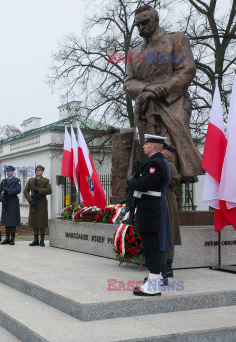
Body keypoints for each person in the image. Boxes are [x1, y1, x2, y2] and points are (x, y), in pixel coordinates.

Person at [124, 4, 203, 183]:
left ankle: (171, 196)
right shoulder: (134, 52)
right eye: (137, 24)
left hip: (171, 103)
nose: (141, 27)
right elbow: (128, 82)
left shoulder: (176, 39)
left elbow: (187, 70)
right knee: (149, 155)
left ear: (156, 20)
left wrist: (164, 89)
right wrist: (146, 89)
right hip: (146, 108)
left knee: (169, 151)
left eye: (145, 22)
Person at [129, 134, 170, 296]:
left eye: (147, 144)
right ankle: (155, 279)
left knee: (150, 246)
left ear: (154, 146)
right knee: (150, 245)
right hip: (149, 208)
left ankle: (153, 285)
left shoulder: (157, 163)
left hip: (150, 210)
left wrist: (132, 181)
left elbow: (144, 184)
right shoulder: (157, 161)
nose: (144, 146)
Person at [163, 143, 182, 277]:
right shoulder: (167, 164)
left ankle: (168, 264)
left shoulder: (169, 165)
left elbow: (173, 180)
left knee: (169, 231)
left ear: (166, 153)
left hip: (168, 200)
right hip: (166, 198)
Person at [23, 165, 52, 247]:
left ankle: (42, 240)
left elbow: (49, 190)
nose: (37, 172)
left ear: (42, 171)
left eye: (39, 170)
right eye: (36, 170)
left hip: (42, 202)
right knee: (34, 221)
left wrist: (39, 190)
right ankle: (35, 239)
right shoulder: (31, 180)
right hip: (34, 202)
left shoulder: (46, 180)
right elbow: (25, 191)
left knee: (42, 221)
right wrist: (30, 200)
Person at [0, 165, 21, 245]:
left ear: (12, 172)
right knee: (7, 222)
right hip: (6, 202)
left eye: (9, 171)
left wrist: (8, 190)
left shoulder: (17, 180)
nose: (8, 173)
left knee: (13, 222)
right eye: (7, 171)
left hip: (13, 202)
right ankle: (7, 238)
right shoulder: (4, 181)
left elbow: (18, 190)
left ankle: (12, 239)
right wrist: (0, 198)